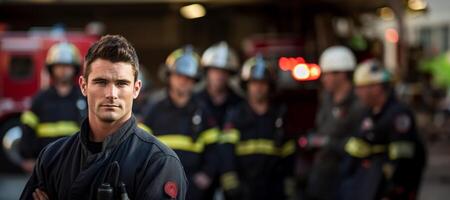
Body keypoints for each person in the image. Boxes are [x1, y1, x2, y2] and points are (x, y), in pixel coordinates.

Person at [20, 35, 187, 200]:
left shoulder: (158, 164)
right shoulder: (52, 157)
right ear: (84, 86)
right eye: (101, 82)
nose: (111, 94)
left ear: (136, 89)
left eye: (121, 83)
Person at [339, 59, 426, 200]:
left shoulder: (398, 116)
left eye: (361, 87)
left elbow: (402, 161)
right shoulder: (368, 114)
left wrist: (392, 191)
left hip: (389, 190)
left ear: (376, 87)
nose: (357, 92)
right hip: (368, 184)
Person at [141, 46, 220, 200]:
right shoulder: (153, 109)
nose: (183, 81)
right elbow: (141, 148)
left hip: (194, 189)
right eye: (179, 75)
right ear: (169, 76)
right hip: (160, 185)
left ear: (195, 81)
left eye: (188, 78)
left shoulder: (203, 111)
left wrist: (207, 174)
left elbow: (214, 150)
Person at [221, 54, 295, 200]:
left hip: (272, 189)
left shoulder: (279, 116)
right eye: (254, 83)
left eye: (263, 83)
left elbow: (289, 152)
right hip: (243, 189)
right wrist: (230, 181)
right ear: (246, 85)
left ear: (270, 86)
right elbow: (226, 150)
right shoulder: (235, 115)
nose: (258, 88)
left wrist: (289, 181)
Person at [303, 46, 367, 200]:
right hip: (322, 175)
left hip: (346, 176)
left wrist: (329, 142)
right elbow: (321, 128)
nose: (323, 78)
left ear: (342, 74)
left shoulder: (359, 104)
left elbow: (360, 144)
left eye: (327, 74)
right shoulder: (326, 99)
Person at [19, 42, 87, 173]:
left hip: (76, 164)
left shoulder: (83, 97)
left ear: (75, 68)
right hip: (45, 164)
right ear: (51, 69)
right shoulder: (40, 98)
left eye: (67, 66)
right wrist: (27, 157)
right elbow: (28, 128)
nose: (63, 70)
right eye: (59, 66)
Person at [195, 41, 243, 129]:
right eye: (215, 70)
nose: (219, 75)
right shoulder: (194, 101)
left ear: (230, 74)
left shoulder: (240, 103)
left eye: (224, 71)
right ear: (207, 72)